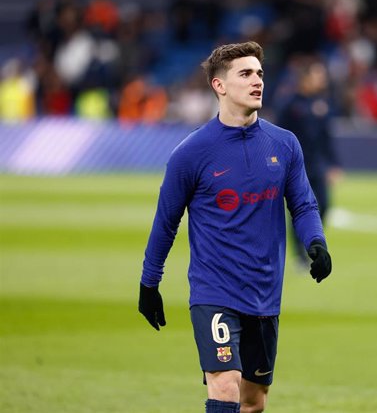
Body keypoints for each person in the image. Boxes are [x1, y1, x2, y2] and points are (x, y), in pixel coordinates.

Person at [137, 41, 332, 413]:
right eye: (245, 74)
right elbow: (166, 222)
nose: (257, 80)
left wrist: (316, 243)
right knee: (225, 387)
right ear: (219, 86)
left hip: (264, 292)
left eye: (260, 73)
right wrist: (150, 283)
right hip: (215, 291)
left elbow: (304, 204)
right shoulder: (191, 154)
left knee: (254, 401)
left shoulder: (285, 144)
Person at [275, 58, 342, 266]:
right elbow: (279, 136)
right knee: (298, 209)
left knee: (325, 205)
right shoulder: (289, 104)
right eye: (317, 75)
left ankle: (311, 239)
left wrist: (333, 163)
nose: (322, 79)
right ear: (305, 78)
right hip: (296, 167)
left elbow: (326, 137)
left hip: (317, 165)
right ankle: (300, 254)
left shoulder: (321, 104)